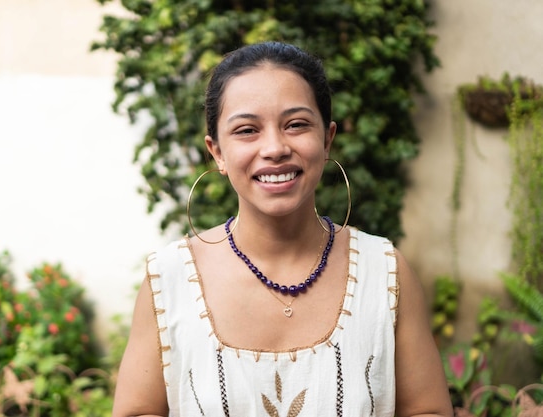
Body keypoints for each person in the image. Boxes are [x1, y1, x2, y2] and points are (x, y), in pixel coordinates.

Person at [112, 41, 453, 416]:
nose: (274, 148)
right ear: (218, 152)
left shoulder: (384, 272)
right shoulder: (170, 277)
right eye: (246, 130)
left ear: (327, 139)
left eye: (296, 125)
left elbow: (427, 409)